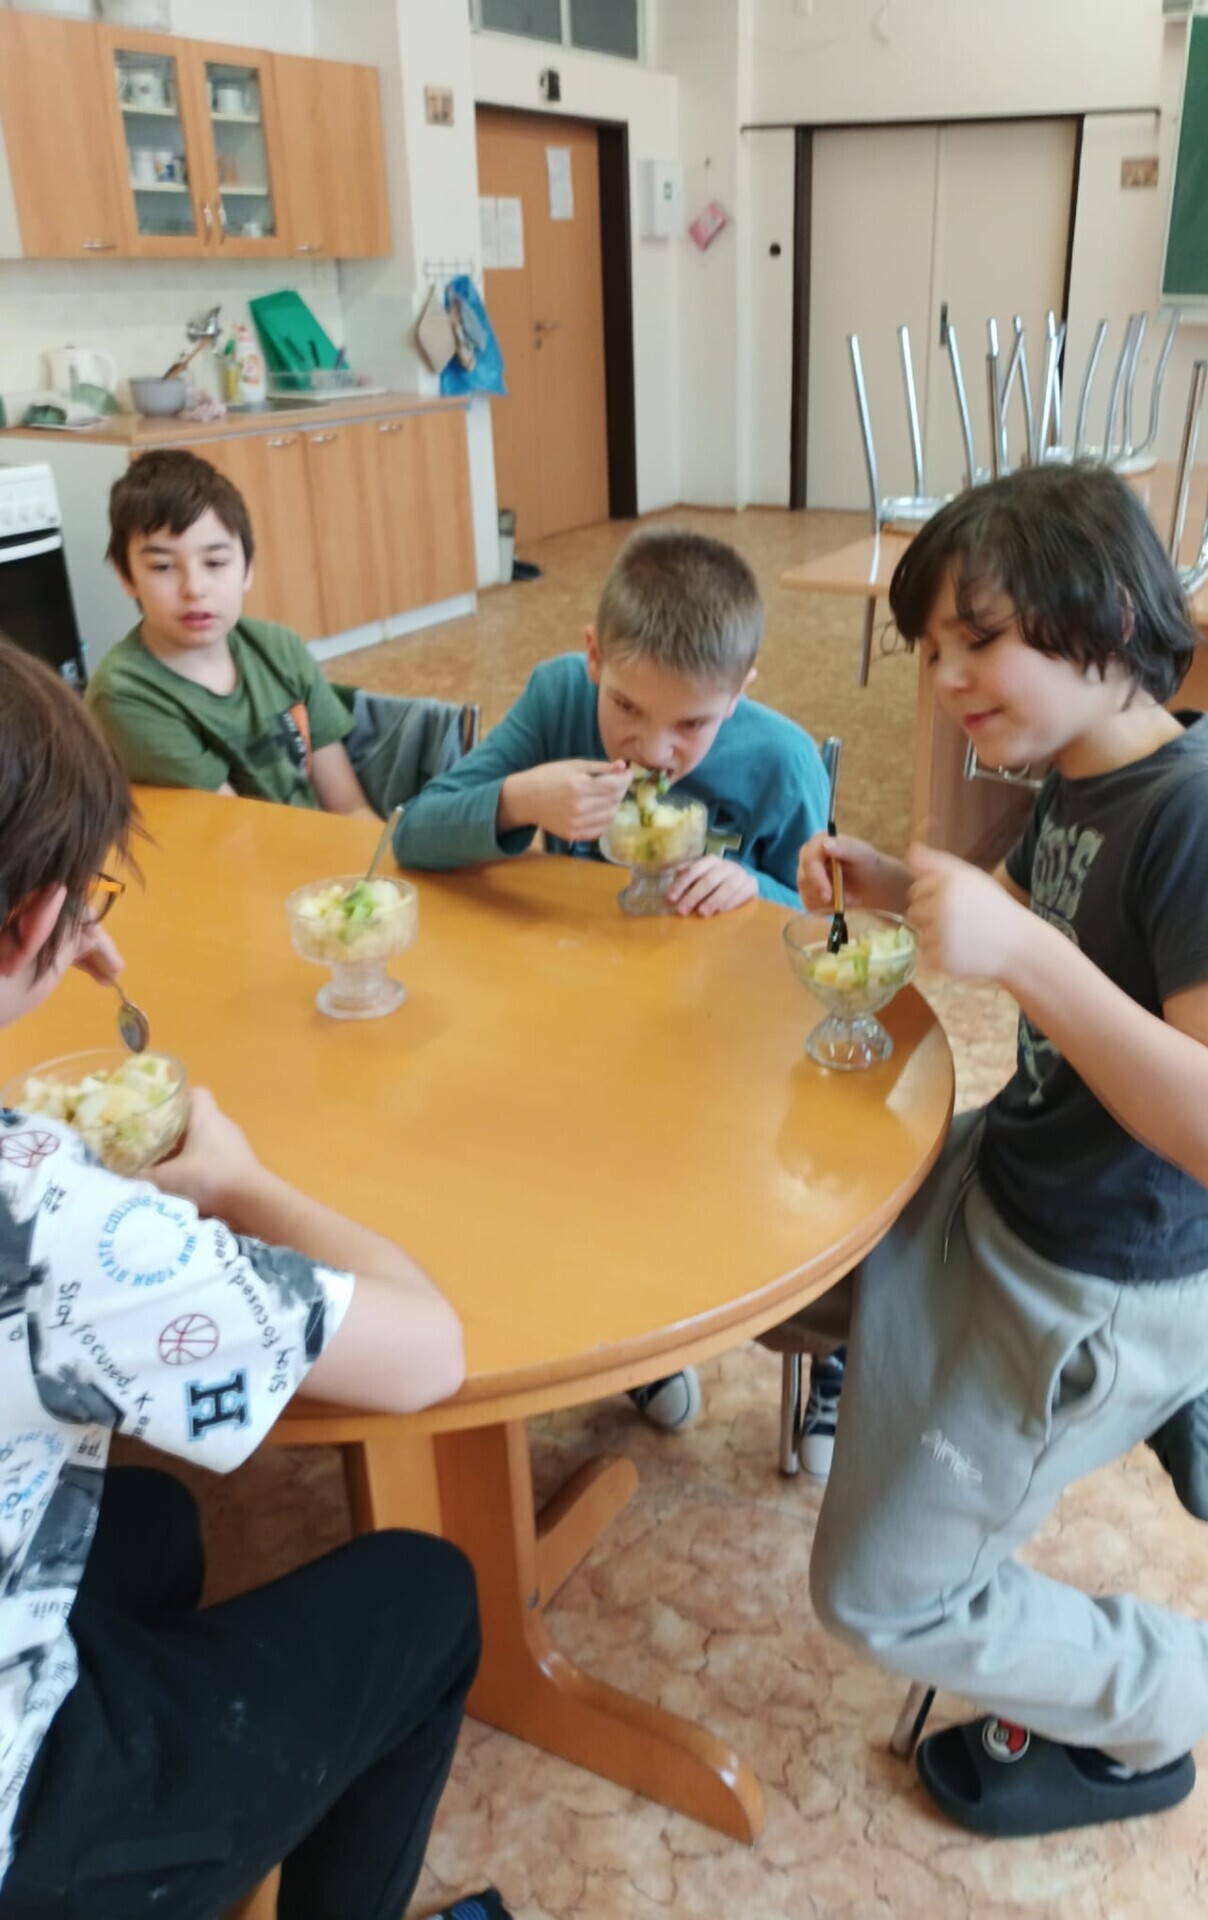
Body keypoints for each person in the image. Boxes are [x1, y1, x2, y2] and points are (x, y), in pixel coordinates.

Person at [791, 464, 1208, 1837]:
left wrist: (1019, 954)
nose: (949, 678)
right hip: (1022, 1180)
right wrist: (893, 881)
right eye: (931, 650)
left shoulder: (1201, 821)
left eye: (980, 638)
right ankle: (1147, 1385)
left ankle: (1169, 1692)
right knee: (783, 1259)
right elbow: (1034, 912)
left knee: (875, 1596)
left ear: (1110, 614)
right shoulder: (1081, 767)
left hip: (1108, 1265)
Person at [0, 638, 505, 1919]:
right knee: (426, 1596)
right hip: (18, 1824)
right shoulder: (54, 1226)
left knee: (156, 1527)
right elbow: (426, 1350)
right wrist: (240, 1182)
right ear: (39, 921)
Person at [397, 527, 830, 1436]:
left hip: (708, 1052)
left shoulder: (782, 763)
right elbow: (416, 833)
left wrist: (760, 889)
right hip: (570, 1029)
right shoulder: (558, 697)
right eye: (627, 706)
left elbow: (826, 932)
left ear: (741, 692)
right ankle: (632, 1341)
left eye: (692, 725)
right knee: (535, 1165)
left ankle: (822, 1364)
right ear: (593, 656)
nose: (654, 747)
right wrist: (521, 799)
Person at [86, 449, 378, 820]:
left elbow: (349, 806)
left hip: (316, 847)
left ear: (247, 569)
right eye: (163, 566)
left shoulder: (280, 648)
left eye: (215, 562)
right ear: (126, 576)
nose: (194, 588)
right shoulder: (125, 694)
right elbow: (240, 836)